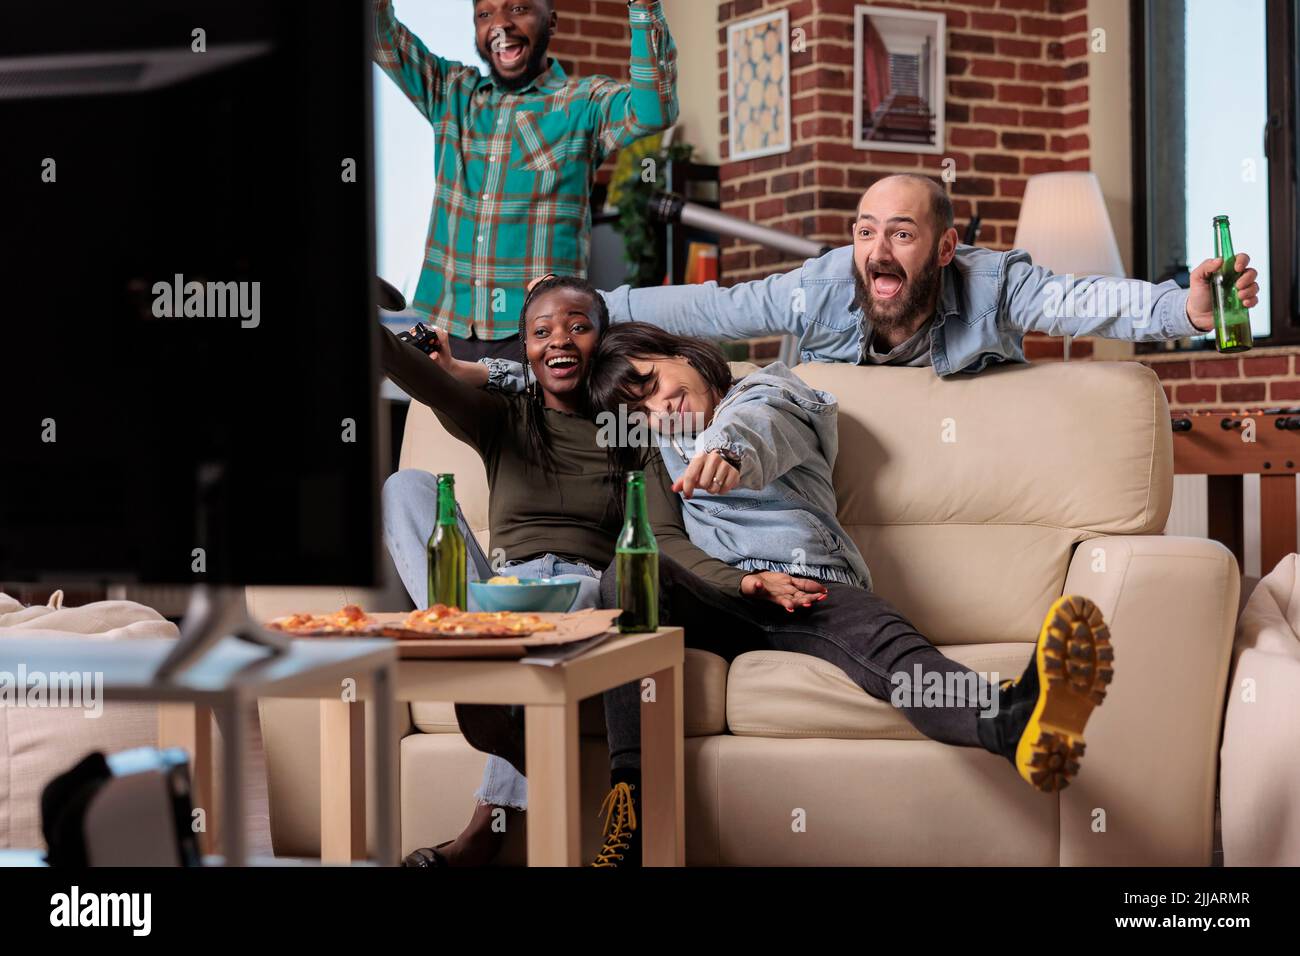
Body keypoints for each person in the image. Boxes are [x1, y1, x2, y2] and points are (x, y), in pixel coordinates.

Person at [452, 322, 1117, 867]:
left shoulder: (775, 393)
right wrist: (741, 579)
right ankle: (631, 813)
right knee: (627, 575)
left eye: (656, 383)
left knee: (894, 654)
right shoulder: (656, 446)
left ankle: (1015, 720)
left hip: (812, 587)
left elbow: (762, 427)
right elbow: (660, 539)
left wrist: (731, 454)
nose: (661, 408)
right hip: (723, 596)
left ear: (683, 353)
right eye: (640, 409)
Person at [379, 276, 757, 867]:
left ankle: (485, 826)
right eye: (542, 331)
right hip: (492, 592)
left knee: (575, 597)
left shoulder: (632, 430)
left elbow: (659, 539)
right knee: (406, 487)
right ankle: (461, 639)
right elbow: (419, 375)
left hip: (580, 598)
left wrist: (741, 582)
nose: (561, 340)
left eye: (579, 326)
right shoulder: (499, 415)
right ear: (526, 348)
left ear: (601, 341)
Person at [484, 173, 1260, 373]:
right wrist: (590, 303)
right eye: (863, 233)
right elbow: (718, 310)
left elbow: (1082, 300)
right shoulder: (824, 283)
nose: (877, 253)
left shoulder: (993, 283)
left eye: (899, 234)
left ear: (947, 248)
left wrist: (1186, 312)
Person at [372, 0, 678, 361]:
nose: (500, 25)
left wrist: (643, 6)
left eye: (518, 9)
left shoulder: (584, 103)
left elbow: (654, 109)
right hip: (449, 331)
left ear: (551, 21)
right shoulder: (451, 93)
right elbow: (380, 31)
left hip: (541, 336)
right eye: (485, 15)